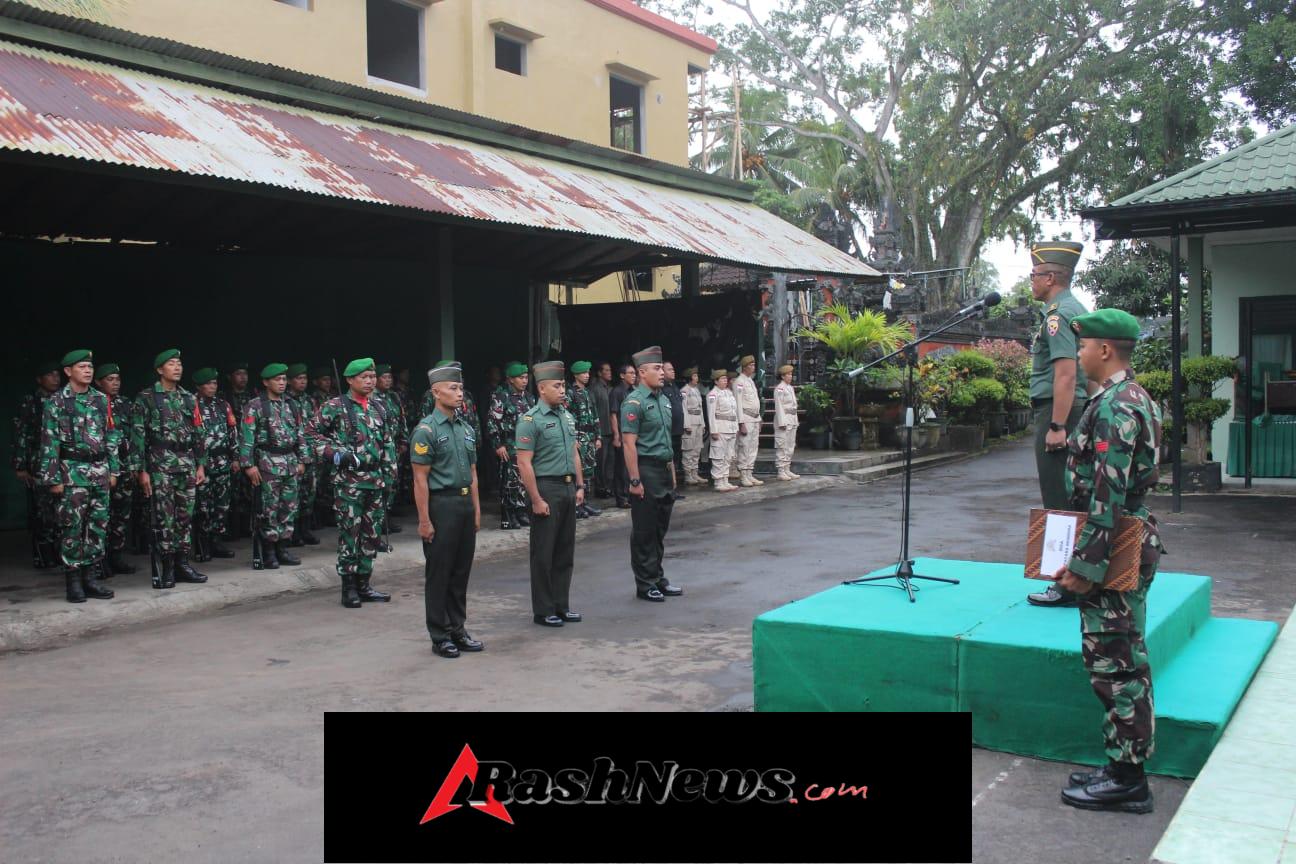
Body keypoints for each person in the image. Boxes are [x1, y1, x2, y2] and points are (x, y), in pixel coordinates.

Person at [1051, 308, 1163, 815]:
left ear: (1106, 351)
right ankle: (1120, 764)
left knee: (1118, 663)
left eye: (1084, 345)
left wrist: (1085, 566)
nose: (1078, 353)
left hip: (1115, 544)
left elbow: (1107, 494)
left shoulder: (1118, 406)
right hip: (1121, 539)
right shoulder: (1123, 398)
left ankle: (1128, 778)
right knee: (1116, 657)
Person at [1026, 240, 1093, 608]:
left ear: (1051, 277)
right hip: (1067, 410)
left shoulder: (1058, 315)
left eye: (1034, 275)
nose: (1031, 282)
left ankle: (1065, 585)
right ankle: (1080, 579)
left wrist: (1056, 424)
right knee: (1073, 497)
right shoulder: (1072, 309)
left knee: (1059, 499)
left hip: (1057, 409)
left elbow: (1066, 375)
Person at [304, 358, 394, 608]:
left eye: (372, 377)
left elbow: (387, 442)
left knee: (371, 536)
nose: (370, 381)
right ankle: (349, 588)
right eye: (364, 377)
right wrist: (335, 454)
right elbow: (310, 434)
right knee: (350, 535)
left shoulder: (378, 406)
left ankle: (364, 584)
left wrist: (390, 475)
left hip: (375, 480)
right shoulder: (335, 406)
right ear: (350, 380)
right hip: (349, 483)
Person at [411, 362, 483, 659]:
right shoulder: (426, 430)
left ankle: (458, 628)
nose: (459, 393)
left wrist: (476, 511)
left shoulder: (465, 429)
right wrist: (425, 520)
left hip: (464, 504)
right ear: (436, 392)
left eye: (460, 387)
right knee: (439, 573)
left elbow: (474, 473)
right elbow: (420, 478)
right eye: (453, 388)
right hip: (442, 506)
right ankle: (439, 634)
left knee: (460, 572)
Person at [38, 350, 120, 603]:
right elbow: (49, 442)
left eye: (90, 366)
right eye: (82, 366)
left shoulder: (100, 399)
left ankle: (91, 578)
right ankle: (73, 582)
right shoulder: (57, 402)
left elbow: (111, 436)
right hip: (71, 473)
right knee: (72, 527)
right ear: (68, 371)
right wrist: (53, 479)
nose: (88, 370)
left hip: (99, 472)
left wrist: (114, 469)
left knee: (97, 526)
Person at [130, 349, 207, 588]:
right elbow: (137, 437)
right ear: (159, 370)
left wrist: (201, 463)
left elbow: (198, 432)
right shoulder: (146, 398)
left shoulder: (188, 398)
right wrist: (140, 470)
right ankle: (168, 567)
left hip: (186, 463)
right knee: (164, 519)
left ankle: (183, 563)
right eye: (171, 364)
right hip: (160, 465)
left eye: (179, 363)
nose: (177, 367)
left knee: (185, 517)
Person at [515, 361, 585, 626]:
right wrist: (535, 498)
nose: (563, 389)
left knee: (565, 551)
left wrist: (580, 485)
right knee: (543, 553)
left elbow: (574, 452)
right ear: (542, 389)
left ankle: (561, 604)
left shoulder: (567, 416)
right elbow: (524, 462)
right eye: (557, 385)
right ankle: (544, 609)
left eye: (564, 384)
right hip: (546, 488)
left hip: (567, 487)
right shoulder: (530, 420)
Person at [621, 346, 684, 603]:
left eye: (661, 367)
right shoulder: (634, 403)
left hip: (663, 469)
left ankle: (657, 577)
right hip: (645, 470)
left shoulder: (664, 400)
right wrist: (635, 480)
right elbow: (628, 444)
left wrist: (672, 473)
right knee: (644, 531)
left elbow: (666, 440)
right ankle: (645, 583)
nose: (661, 372)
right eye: (656, 368)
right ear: (642, 372)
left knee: (660, 529)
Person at [240, 363, 308, 569]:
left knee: (288, 507)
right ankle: (269, 552)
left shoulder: (292, 404)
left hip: (290, 461)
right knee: (269, 509)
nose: (281, 383)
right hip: (267, 462)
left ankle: (283, 548)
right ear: (265, 382)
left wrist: (303, 459)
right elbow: (246, 437)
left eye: (283, 379)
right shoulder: (255, 405)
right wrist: (248, 465)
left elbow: (300, 433)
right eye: (277, 380)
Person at [13, 359, 62, 568]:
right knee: (43, 511)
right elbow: (21, 432)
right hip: (38, 462)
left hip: (63, 462)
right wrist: (20, 465)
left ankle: (61, 552)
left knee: (63, 511)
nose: (55, 378)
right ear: (39, 379)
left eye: (57, 374)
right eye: (50, 374)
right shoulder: (31, 401)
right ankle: (44, 553)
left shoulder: (64, 399)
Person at [93, 362, 139, 574]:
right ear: (98, 382)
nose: (115, 383)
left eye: (117, 379)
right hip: (101, 469)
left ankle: (116, 556)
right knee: (100, 517)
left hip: (124, 467)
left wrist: (134, 465)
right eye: (110, 380)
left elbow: (135, 435)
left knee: (121, 516)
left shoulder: (125, 404)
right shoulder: (94, 403)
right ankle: (98, 560)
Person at [191, 367, 237, 562]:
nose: (212, 387)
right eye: (208, 384)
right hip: (202, 464)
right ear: (199, 387)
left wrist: (235, 457)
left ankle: (216, 541)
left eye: (214, 383)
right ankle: (202, 545)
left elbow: (232, 431)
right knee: (202, 506)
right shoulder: (191, 404)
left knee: (221, 504)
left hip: (222, 462)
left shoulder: (222, 405)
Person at [485, 361, 535, 529]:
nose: (524, 380)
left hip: (525, 446)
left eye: (526, 377)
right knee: (509, 481)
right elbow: (492, 422)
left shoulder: (529, 397)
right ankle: (508, 514)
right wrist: (498, 445)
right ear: (510, 379)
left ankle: (521, 511)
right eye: (521, 378)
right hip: (509, 445)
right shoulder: (501, 396)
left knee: (524, 480)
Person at [284, 363, 320, 547]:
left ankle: (305, 530)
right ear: (290, 381)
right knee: (293, 495)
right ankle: (293, 533)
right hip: (293, 454)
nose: (302, 382)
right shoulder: (284, 401)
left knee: (309, 493)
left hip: (310, 454)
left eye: (304, 378)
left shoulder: (310, 401)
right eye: (298, 378)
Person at [566, 360, 602, 518]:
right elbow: (567, 417)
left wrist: (597, 436)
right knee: (577, 471)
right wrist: (573, 438)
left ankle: (585, 502)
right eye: (583, 373)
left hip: (589, 437)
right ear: (575, 375)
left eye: (588, 373)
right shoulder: (570, 393)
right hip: (578, 438)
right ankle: (576, 504)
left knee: (588, 470)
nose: (587, 376)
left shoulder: (587, 392)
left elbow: (595, 416)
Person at [733, 354, 764, 487]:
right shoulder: (739, 382)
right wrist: (741, 423)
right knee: (744, 447)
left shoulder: (750, 381)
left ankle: (750, 473)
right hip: (746, 418)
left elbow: (755, 401)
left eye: (754, 365)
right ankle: (744, 475)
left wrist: (759, 418)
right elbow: (738, 404)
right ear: (744, 367)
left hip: (754, 418)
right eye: (751, 365)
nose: (753, 367)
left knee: (753, 447)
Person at [705, 369, 739, 492]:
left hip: (731, 427)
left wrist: (736, 427)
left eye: (726, 379)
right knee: (718, 456)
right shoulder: (713, 394)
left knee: (728, 456)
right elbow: (711, 414)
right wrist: (713, 430)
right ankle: (718, 481)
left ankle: (725, 480)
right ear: (716, 381)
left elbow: (734, 412)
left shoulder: (729, 393)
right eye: (722, 379)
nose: (725, 381)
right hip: (720, 427)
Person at [609, 363, 636, 507]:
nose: (633, 375)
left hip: (634, 434)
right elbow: (613, 415)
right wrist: (616, 436)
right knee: (621, 468)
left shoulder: (634, 391)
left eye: (634, 373)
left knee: (633, 466)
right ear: (622, 375)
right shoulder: (617, 392)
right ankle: (622, 497)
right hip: (622, 434)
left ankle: (632, 494)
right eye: (630, 373)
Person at [662, 361, 686, 500]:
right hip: (669, 431)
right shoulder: (662, 388)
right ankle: (668, 489)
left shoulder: (674, 386)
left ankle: (673, 488)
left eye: (673, 369)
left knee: (675, 460)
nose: (673, 371)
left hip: (677, 430)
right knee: (667, 461)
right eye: (669, 369)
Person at [773, 364, 801, 481]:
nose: (790, 376)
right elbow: (779, 406)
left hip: (792, 418)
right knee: (782, 445)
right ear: (782, 376)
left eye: (791, 374)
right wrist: (782, 422)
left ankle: (787, 468)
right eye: (788, 374)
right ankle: (781, 470)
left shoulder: (790, 388)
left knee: (790, 445)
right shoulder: (780, 389)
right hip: (784, 418)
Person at [679, 367, 707, 485]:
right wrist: (686, 424)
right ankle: (688, 474)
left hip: (698, 421)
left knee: (697, 449)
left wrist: (703, 423)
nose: (697, 378)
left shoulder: (696, 390)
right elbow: (684, 408)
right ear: (689, 378)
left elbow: (700, 408)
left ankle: (695, 473)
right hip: (690, 421)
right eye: (695, 376)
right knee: (688, 449)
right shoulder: (684, 391)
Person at [590, 361, 614, 497]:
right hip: (601, 431)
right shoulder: (595, 389)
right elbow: (593, 411)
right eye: (607, 370)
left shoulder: (610, 388)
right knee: (601, 463)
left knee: (610, 462)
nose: (609, 373)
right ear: (600, 373)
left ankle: (608, 487)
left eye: (610, 370)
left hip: (611, 431)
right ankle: (600, 488)